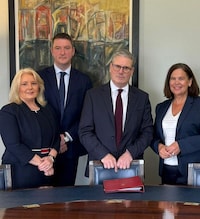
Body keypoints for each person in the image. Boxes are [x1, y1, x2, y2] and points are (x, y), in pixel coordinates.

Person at [79, 49, 153, 174]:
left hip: (131, 165)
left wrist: (130, 153)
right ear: (110, 67)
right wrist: (103, 154)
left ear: (132, 71)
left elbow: (148, 132)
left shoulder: (142, 98)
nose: (121, 71)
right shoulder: (93, 96)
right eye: (117, 66)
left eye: (126, 68)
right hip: (100, 164)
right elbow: (84, 131)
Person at [38, 33, 92, 186]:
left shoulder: (84, 80)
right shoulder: (39, 78)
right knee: (43, 198)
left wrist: (66, 137)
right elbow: (35, 112)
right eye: (58, 48)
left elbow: (86, 115)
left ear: (73, 51)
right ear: (52, 51)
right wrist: (55, 139)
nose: (62, 52)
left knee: (66, 198)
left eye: (67, 48)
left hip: (70, 147)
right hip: (44, 148)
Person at [151, 63, 200, 185]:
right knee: (167, 204)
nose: (176, 82)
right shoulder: (161, 107)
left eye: (181, 78)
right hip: (167, 169)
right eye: (173, 78)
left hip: (195, 171)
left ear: (190, 82)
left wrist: (181, 145)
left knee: (194, 204)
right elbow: (154, 136)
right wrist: (158, 147)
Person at [0, 68, 60, 189]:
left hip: (47, 169)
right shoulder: (9, 111)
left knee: (47, 206)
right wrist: (42, 164)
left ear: (39, 86)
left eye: (34, 83)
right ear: (17, 88)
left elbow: (57, 139)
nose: (30, 87)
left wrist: (50, 159)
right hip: (20, 170)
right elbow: (13, 144)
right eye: (24, 84)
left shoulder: (47, 110)